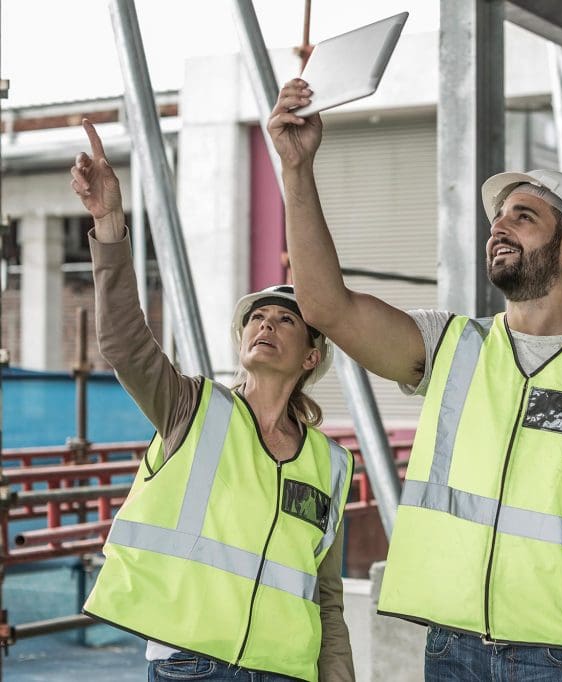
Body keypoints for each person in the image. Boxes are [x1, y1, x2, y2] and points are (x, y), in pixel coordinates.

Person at [269, 79, 562, 682]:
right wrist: (296, 170)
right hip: (453, 652)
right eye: (498, 217)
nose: (500, 227)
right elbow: (326, 308)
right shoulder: (453, 346)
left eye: (523, 216)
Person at [71, 119, 356, 682]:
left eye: (284, 320)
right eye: (255, 318)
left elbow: (326, 598)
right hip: (192, 666)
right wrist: (108, 224)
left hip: (286, 671)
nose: (264, 325)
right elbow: (125, 344)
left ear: (310, 358)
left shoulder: (332, 464)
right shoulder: (191, 408)